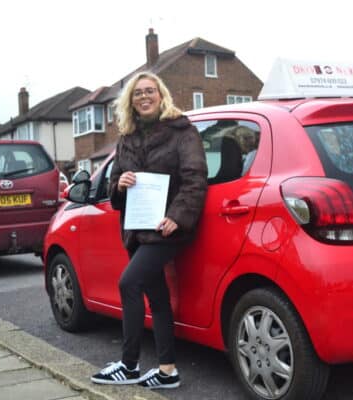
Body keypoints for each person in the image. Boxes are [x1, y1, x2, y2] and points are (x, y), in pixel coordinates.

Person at [91, 72, 208, 389]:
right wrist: (121, 183)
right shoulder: (126, 138)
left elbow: (195, 179)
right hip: (136, 228)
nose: (144, 97)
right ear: (131, 101)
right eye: (138, 93)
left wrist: (178, 217)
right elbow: (115, 190)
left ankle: (129, 366)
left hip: (165, 229)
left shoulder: (182, 131)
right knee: (157, 299)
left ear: (161, 95)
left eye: (150, 91)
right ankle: (168, 371)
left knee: (129, 283)